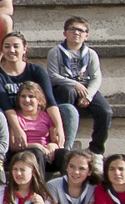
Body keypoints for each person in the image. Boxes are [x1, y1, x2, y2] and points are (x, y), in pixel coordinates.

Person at [48, 16, 113, 166]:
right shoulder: (56, 52)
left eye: (81, 30)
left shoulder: (91, 54)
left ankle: (96, 151)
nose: (76, 33)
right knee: (67, 91)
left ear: (86, 35)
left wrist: (88, 96)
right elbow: (52, 76)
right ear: (65, 33)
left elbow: (96, 78)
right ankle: (64, 144)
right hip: (65, 87)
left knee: (105, 111)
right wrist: (74, 84)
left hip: (87, 88)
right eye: (72, 29)